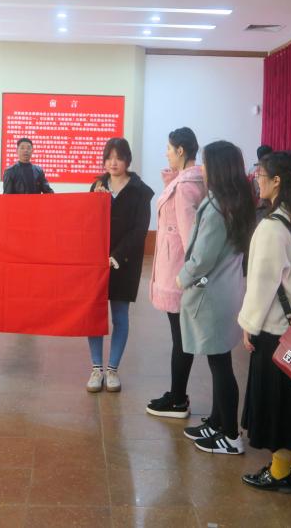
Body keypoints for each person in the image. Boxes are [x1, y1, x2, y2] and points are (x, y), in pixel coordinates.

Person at [239, 151, 291, 492]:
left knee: (275, 406)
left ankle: (279, 472)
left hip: (275, 329)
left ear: (276, 181)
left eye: (260, 175)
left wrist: (249, 325)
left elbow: (262, 283)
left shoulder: (271, 227)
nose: (256, 180)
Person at [178, 140, 256, 455]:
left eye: (206, 164)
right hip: (226, 290)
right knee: (217, 360)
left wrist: (182, 277)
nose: (203, 169)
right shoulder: (236, 202)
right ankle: (216, 421)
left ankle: (230, 435)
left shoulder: (218, 208)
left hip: (213, 294)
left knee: (220, 365)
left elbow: (202, 259)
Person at [146, 127, 206, 418]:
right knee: (181, 338)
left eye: (169, 149)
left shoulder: (184, 187)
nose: (166, 154)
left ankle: (178, 399)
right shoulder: (188, 182)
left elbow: (189, 237)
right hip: (180, 272)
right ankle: (177, 393)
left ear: (181, 151)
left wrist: (188, 276)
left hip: (179, 275)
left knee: (181, 339)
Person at [86, 137, 153, 393]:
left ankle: (112, 369)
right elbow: (88, 223)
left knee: (120, 316)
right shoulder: (97, 185)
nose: (113, 163)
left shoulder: (140, 190)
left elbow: (140, 230)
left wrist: (116, 255)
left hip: (124, 262)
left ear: (128, 160)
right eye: (109, 157)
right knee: (94, 315)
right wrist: (96, 202)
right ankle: (96, 368)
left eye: (119, 157)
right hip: (96, 261)